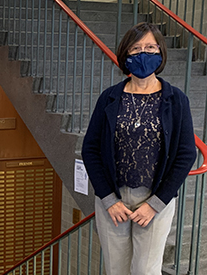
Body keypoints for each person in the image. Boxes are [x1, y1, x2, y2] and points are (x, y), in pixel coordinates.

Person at [81, 22, 197, 275]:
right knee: (116, 269)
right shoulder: (109, 98)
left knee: (146, 270)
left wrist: (156, 203)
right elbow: (90, 149)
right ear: (125, 54)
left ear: (160, 53)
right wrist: (109, 199)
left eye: (150, 47)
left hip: (155, 199)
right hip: (113, 200)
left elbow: (187, 153)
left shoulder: (177, 100)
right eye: (136, 48)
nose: (143, 54)